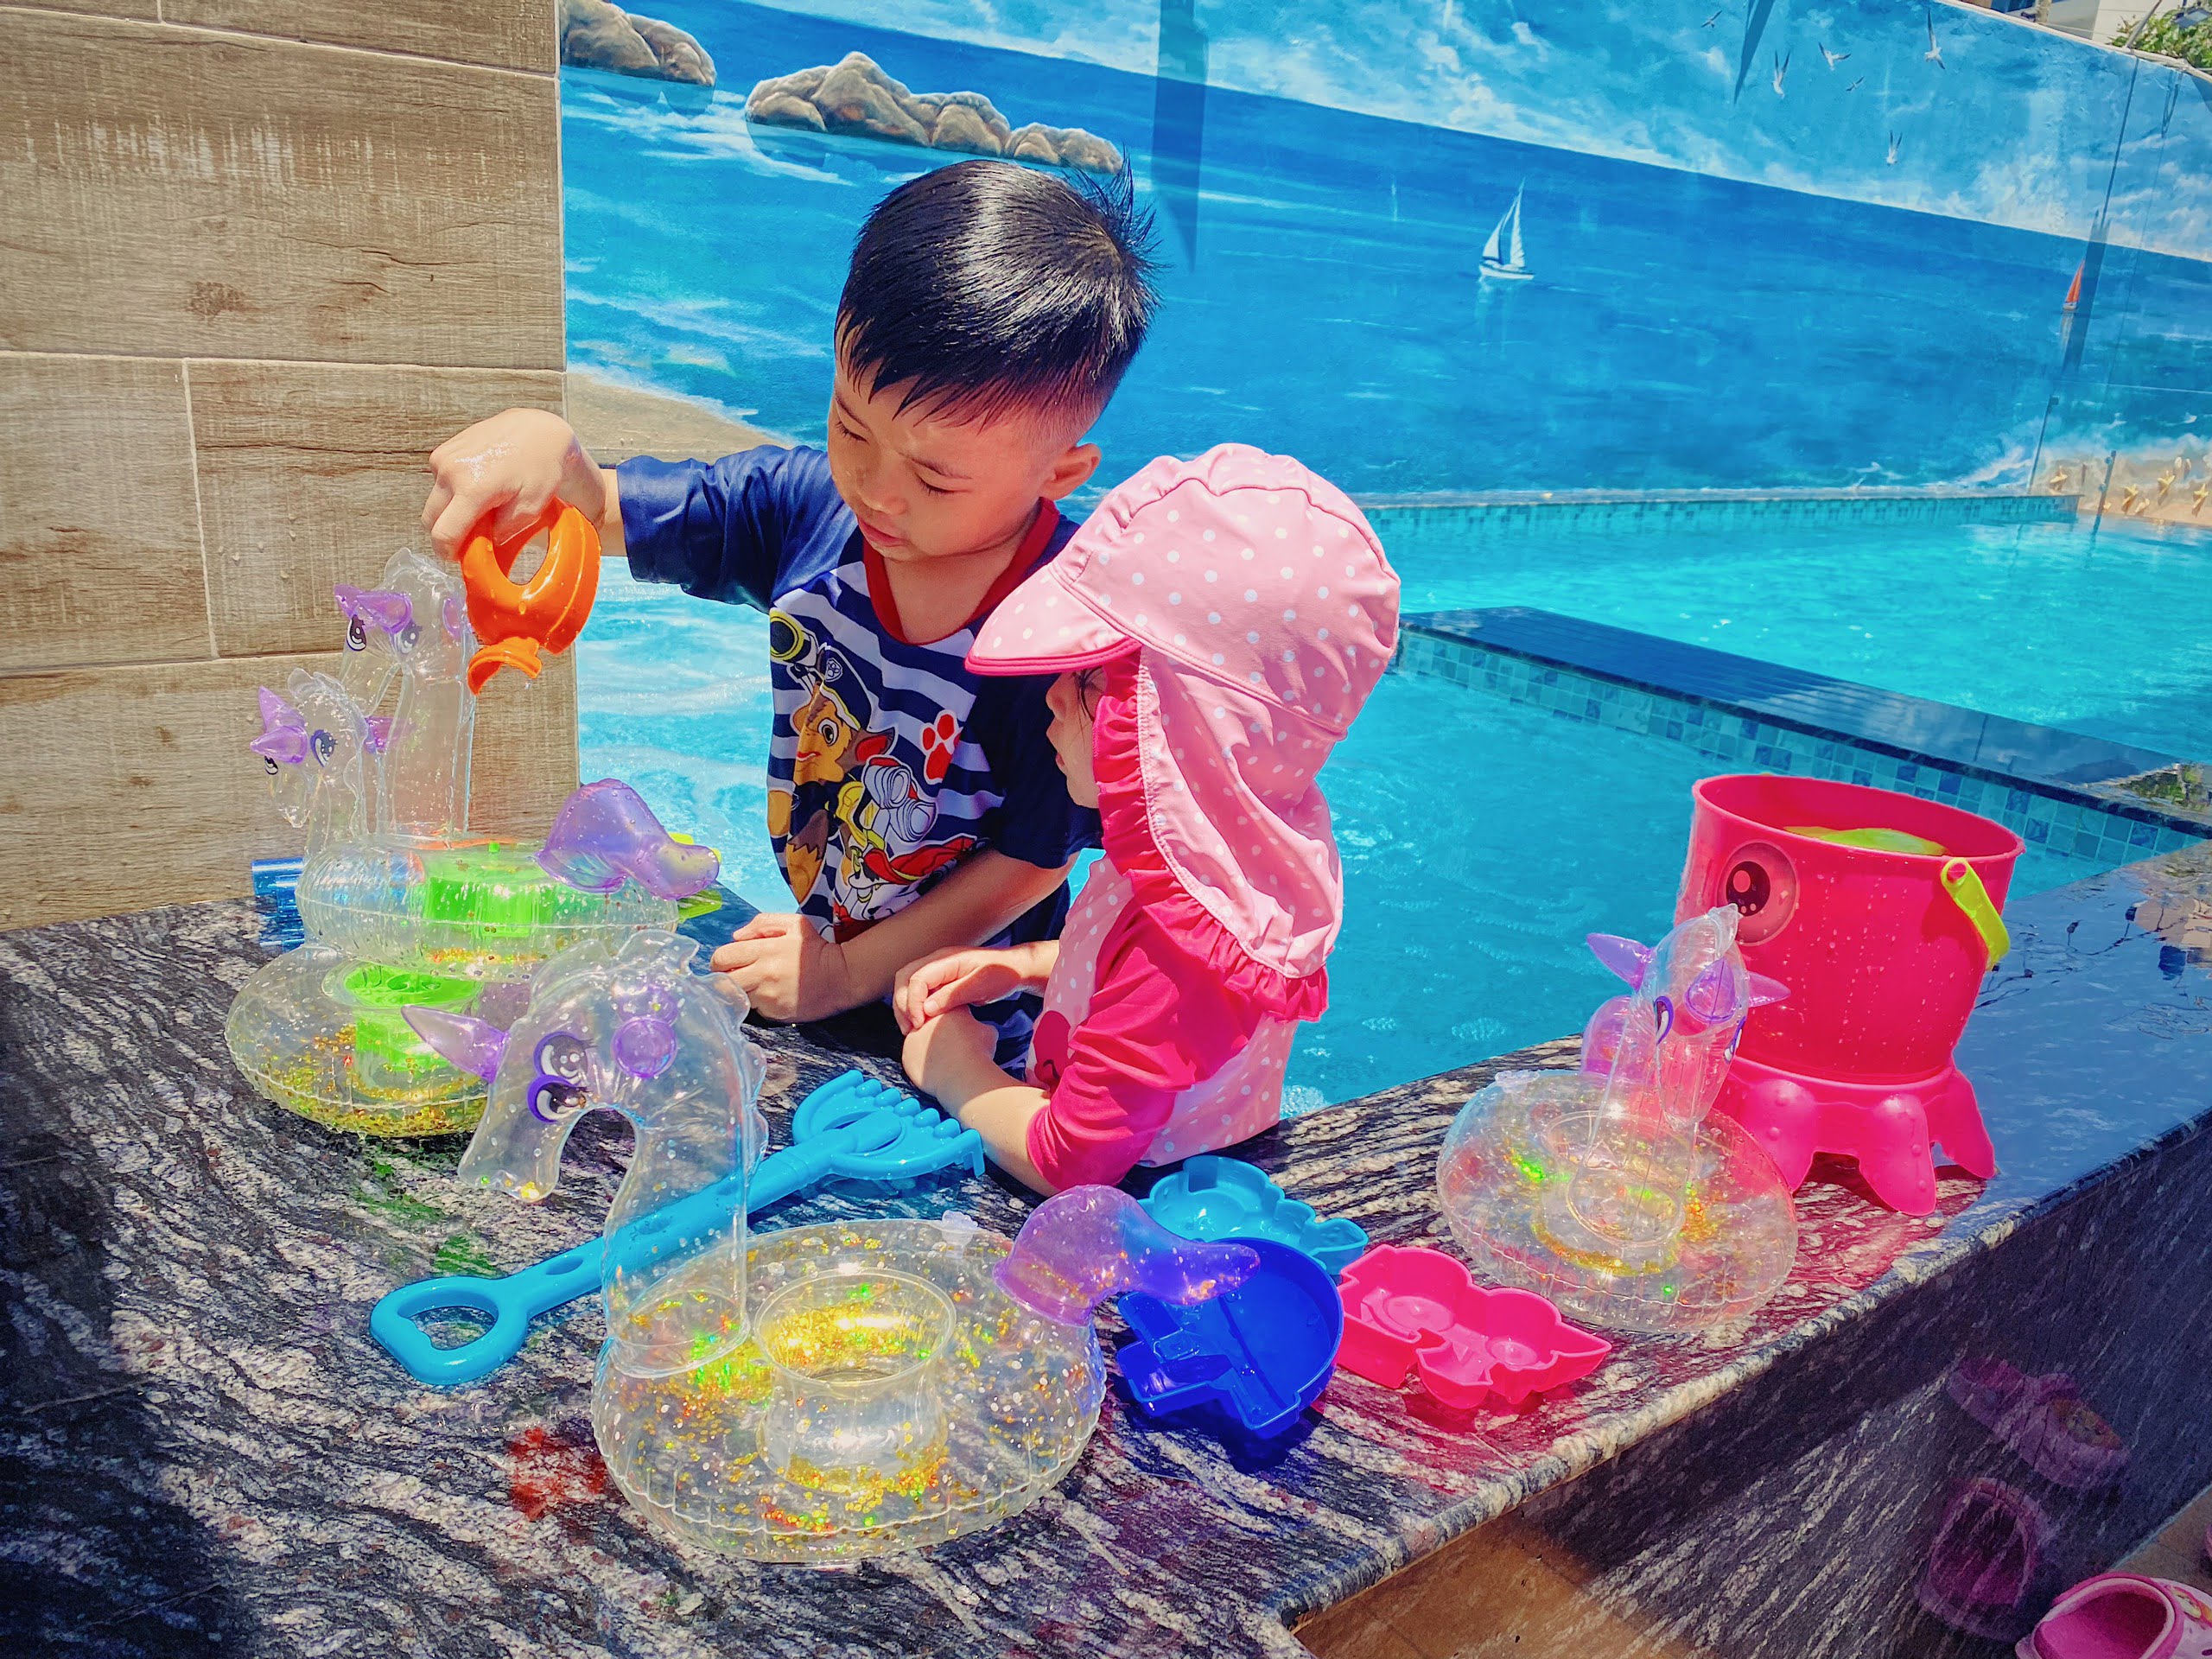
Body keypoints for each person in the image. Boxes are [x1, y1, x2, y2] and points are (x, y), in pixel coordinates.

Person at [417, 162, 1159, 1048]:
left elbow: (1033, 859)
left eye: (934, 478)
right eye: (850, 424)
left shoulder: (1063, 632)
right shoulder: (806, 508)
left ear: (1061, 473)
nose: (875, 489)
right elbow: (604, 509)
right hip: (828, 943)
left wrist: (849, 972)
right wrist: (550, 448)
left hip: (971, 1006)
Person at [894, 444, 1400, 1192]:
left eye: (1090, 679)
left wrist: (955, 1070)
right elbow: (1124, 978)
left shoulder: (1183, 956)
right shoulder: (1206, 869)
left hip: (1143, 1221)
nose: (1051, 695)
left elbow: (1071, 1163)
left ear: (1179, 732)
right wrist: (1024, 967)